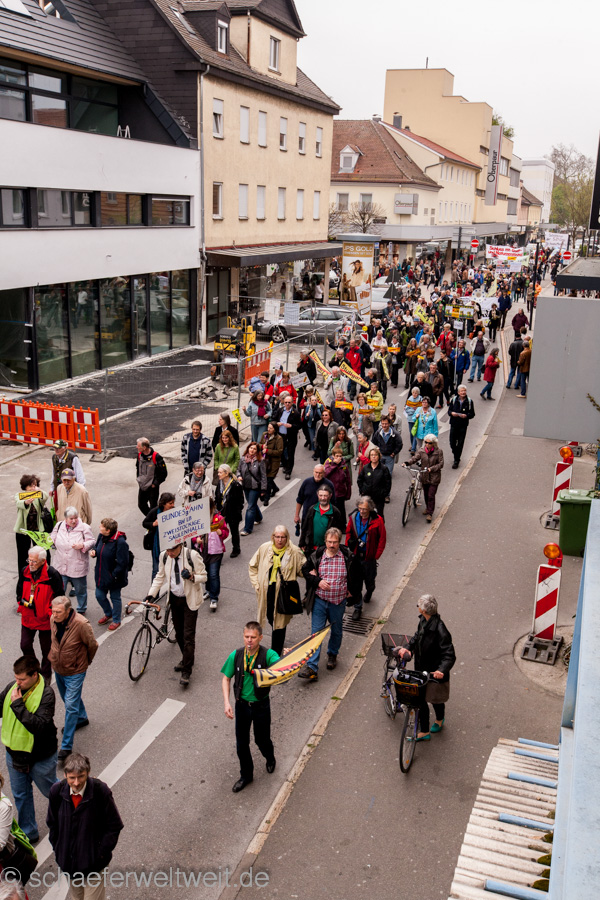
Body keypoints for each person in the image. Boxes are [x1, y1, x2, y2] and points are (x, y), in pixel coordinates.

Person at [47, 752, 124, 900]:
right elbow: (52, 824)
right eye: (72, 778)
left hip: (94, 866)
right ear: (65, 775)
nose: (76, 783)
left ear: (88, 773)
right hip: (70, 865)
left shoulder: (100, 791)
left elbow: (114, 826)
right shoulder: (56, 792)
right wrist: (59, 850)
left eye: (81, 776)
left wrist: (99, 854)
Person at [0, 655, 57, 844]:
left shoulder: (46, 694)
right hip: (15, 754)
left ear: (34, 675)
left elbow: (39, 726)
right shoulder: (12, 688)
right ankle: (29, 832)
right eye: (16, 678)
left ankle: (76, 811)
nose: (17, 682)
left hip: (40, 757)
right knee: (21, 795)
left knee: (52, 791)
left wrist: (17, 705)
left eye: (22, 679)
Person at [221, 622, 279, 793]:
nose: (249, 640)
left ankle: (270, 757)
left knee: (262, 740)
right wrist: (227, 702)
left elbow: (280, 666)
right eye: (247, 636)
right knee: (241, 744)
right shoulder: (237, 655)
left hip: (261, 705)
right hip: (242, 705)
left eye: (253, 637)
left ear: (260, 638)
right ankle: (246, 775)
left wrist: (287, 658)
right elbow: (226, 678)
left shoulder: (268, 655)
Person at [394, 594, 455, 740]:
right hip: (421, 669)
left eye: (418, 606)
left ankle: (439, 719)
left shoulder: (441, 630)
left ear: (423, 610)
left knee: (435, 699)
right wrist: (408, 648)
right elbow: (417, 637)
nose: (417, 608)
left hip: (434, 672)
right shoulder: (423, 620)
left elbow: (449, 655)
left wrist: (441, 670)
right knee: (421, 700)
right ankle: (425, 731)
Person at [145, 542, 207, 686]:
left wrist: (191, 577)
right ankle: (186, 658)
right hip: (174, 599)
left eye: (172, 550)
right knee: (179, 634)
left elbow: (204, 576)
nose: (170, 553)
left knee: (188, 636)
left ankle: (187, 671)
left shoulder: (192, 555)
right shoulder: (164, 556)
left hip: (189, 600)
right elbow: (160, 576)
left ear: (180, 546)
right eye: (167, 550)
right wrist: (151, 594)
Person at [299, 528, 353, 681]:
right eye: (329, 542)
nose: (332, 545)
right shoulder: (317, 555)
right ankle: (312, 667)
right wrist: (317, 581)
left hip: (338, 602)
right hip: (320, 601)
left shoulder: (347, 556)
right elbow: (304, 570)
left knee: (336, 631)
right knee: (316, 633)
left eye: (335, 542)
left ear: (339, 542)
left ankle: (332, 654)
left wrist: (352, 591)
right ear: (325, 541)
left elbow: (356, 574)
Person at [49, 597, 98, 763]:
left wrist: (84, 663)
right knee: (69, 698)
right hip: (59, 668)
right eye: (53, 611)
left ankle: (66, 746)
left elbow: (92, 645)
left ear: (68, 611)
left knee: (70, 705)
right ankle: (81, 717)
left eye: (58, 612)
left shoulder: (81, 624)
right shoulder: (53, 619)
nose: (54, 614)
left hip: (75, 671)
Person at [248, 526, 305, 656]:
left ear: (287, 537)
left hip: (283, 594)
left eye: (282, 537)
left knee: (279, 623)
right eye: (277, 537)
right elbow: (252, 566)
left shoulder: (294, 552)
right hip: (267, 592)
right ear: (273, 537)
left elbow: (303, 571)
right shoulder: (265, 548)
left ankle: (275, 652)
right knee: (269, 617)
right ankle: (275, 643)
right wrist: (256, 584)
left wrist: (310, 570)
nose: (279, 540)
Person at [16, 547, 64, 682]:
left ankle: (46, 674)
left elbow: (60, 597)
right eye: (29, 560)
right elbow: (19, 590)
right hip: (28, 617)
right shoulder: (25, 571)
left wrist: (50, 612)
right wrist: (22, 601)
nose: (30, 564)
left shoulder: (52, 574)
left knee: (46, 650)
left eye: (34, 561)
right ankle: (34, 669)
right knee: (25, 645)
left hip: (45, 620)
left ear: (43, 561)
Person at [345, 496, 386, 621]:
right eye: (360, 508)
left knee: (369, 580)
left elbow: (382, 539)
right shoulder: (353, 518)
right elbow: (348, 532)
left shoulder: (378, 520)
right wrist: (348, 548)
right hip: (356, 556)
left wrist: (376, 555)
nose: (362, 511)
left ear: (370, 509)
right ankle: (357, 607)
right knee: (355, 583)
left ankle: (370, 591)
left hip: (369, 558)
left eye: (365, 509)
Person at [50, 507, 94, 616]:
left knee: (80, 590)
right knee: (59, 590)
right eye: (71, 519)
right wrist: (50, 542)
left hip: (77, 565)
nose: (74, 521)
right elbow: (52, 538)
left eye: (75, 518)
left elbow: (92, 541)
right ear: (65, 519)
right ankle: (61, 610)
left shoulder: (84, 527)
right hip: (60, 565)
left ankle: (81, 609)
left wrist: (82, 545)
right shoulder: (59, 525)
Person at [193, 498, 228, 612]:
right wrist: (196, 539)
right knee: (206, 573)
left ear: (212, 508)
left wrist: (220, 532)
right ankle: (208, 590)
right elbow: (193, 534)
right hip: (203, 551)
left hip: (216, 551)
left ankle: (214, 597)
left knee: (213, 574)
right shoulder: (199, 519)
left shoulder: (219, 518)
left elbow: (226, 533)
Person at [14, 474, 51, 579]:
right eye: (30, 485)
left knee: (44, 553)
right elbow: (19, 502)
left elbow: (45, 496)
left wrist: (39, 490)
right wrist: (26, 502)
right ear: (25, 486)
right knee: (23, 556)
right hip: (23, 531)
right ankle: (24, 578)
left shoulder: (38, 495)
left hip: (38, 530)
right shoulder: (19, 495)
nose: (32, 487)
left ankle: (45, 574)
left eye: (34, 485)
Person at [405, 434, 444, 522]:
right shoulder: (422, 451)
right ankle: (428, 508)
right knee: (426, 494)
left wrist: (431, 469)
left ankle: (430, 513)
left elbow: (441, 464)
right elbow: (415, 458)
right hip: (424, 476)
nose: (427, 444)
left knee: (431, 495)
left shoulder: (439, 451)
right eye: (426, 442)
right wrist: (407, 463)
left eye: (429, 443)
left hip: (434, 477)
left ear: (434, 443)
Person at [299, 484, 344, 553]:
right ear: (317, 495)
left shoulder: (335, 512)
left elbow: (338, 532)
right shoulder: (312, 509)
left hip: (327, 550)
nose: (323, 498)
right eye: (321, 495)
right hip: (310, 548)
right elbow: (305, 527)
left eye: (325, 495)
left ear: (330, 496)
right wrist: (302, 543)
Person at [142, 492, 175, 580]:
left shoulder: (174, 512)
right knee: (156, 569)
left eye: (173, 503)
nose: (172, 505)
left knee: (172, 568)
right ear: (163, 503)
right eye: (170, 503)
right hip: (157, 544)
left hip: (170, 544)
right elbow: (144, 523)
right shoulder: (154, 512)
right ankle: (155, 588)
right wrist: (153, 524)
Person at [238, 441, 267, 536]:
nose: (252, 450)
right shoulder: (243, 459)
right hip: (245, 486)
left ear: (257, 451)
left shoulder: (260, 461)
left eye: (254, 449)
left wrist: (263, 489)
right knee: (252, 503)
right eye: (251, 448)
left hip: (255, 487)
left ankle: (247, 529)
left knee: (250, 507)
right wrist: (239, 476)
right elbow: (238, 470)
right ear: (248, 448)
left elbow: (263, 476)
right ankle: (258, 517)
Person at [215, 464, 244, 559]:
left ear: (226, 473)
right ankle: (218, 550)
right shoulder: (219, 484)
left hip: (233, 513)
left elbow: (240, 501)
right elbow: (217, 497)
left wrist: (236, 512)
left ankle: (236, 549)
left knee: (234, 531)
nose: (218, 474)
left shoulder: (235, 485)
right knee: (219, 532)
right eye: (218, 472)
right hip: (221, 513)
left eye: (220, 472)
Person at [135, 438, 167, 517]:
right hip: (142, 485)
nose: (136, 447)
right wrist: (139, 479)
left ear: (144, 447)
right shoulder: (139, 455)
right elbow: (137, 467)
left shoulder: (156, 457)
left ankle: (154, 521)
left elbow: (164, 473)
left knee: (153, 507)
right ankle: (151, 519)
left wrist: (155, 483)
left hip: (152, 487)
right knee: (141, 505)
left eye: (138, 446)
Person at [357, 447, 392, 518]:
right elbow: (360, 480)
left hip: (379, 498)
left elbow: (388, 483)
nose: (373, 457)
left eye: (375, 455)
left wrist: (383, 494)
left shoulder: (384, 469)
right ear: (369, 457)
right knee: (366, 515)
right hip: (367, 496)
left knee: (379, 515)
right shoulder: (366, 468)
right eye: (372, 455)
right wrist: (362, 490)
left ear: (379, 456)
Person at [273, 395, 301, 479]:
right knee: (280, 452)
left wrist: (291, 426)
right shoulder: (280, 410)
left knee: (290, 454)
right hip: (281, 436)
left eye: (289, 402)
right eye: (286, 402)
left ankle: (288, 471)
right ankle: (285, 465)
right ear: (283, 403)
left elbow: (300, 425)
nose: (287, 404)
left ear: (292, 403)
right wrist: (277, 423)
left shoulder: (296, 413)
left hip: (291, 436)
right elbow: (274, 419)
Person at [448, 385, 475, 468]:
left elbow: (472, 414)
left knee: (460, 443)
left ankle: (456, 460)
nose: (463, 392)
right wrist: (452, 413)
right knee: (452, 442)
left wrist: (466, 416)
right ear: (458, 392)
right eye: (462, 391)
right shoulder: (454, 400)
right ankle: (456, 453)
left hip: (463, 425)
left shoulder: (469, 401)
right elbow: (449, 411)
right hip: (454, 424)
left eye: (464, 391)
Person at [324, 448, 352, 526]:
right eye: (337, 456)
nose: (339, 458)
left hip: (340, 494)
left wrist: (348, 493)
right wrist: (334, 465)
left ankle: (342, 526)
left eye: (340, 456)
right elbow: (325, 474)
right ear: (333, 456)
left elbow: (348, 481)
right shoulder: (328, 463)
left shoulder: (344, 465)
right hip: (330, 494)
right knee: (330, 512)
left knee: (341, 512)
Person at [372, 415, 402, 484]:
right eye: (382, 423)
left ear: (389, 424)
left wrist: (394, 453)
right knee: (379, 474)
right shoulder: (378, 432)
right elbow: (373, 442)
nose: (384, 425)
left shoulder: (395, 434)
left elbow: (399, 444)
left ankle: (386, 490)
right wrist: (376, 449)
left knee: (388, 475)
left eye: (386, 424)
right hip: (380, 456)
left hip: (389, 457)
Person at [261, 422, 284, 504]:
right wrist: (262, 446)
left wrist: (268, 451)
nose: (269, 429)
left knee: (269, 479)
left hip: (274, 462)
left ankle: (266, 498)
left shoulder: (278, 438)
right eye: (268, 427)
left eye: (271, 428)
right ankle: (275, 488)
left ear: (275, 429)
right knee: (266, 478)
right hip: (265, 460)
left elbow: (279, 452)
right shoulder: (264, 435)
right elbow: (259, 444)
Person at [404, 388, 422, 453]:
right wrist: (414, 411)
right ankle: (412, 445)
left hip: (417, 419)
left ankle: (413, 448)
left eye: (416, 393)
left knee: (415, 433)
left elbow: (421, 409)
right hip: (410, 419)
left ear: (418, 393)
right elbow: (406, 409)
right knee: (411, 433)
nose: (414, 394)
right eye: (413, 393)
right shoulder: (409, 399)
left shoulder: (420, 399)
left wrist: (414, 411)